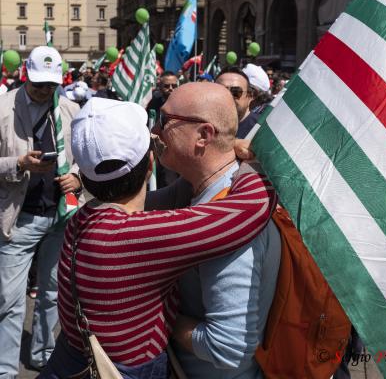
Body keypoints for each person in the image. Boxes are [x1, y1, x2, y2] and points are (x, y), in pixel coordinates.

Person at [38, 97, 276, 378]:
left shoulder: (88, 217)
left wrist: (222, 148)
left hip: (71, 359)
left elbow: (171, 197)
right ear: (150, 163)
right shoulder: (134, 235)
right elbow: (252, 208)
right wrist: (245, 161)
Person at [150, 82, 281, 379]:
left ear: (204, 135)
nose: (156, 131)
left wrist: (158, 314)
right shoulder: (200, 188)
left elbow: (228, 348)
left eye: (165, 121)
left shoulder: (232, 223)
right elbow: (134, 209)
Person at [0, 46, 82, 377]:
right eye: (38, 84)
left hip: (61, 217)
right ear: (25, 76)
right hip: (19, 218)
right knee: (9, 301)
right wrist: (18, 164)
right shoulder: (4, 107)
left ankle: (44, 355)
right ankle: (5, 370)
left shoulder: (70, 109)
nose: (45, 91)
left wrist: (76, 175)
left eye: (50, 84)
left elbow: (84, 157)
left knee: (52, 295)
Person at [147, 71, 179, 187]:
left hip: (177, 155)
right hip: (157, 153)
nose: (171, 89)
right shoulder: (153, 103)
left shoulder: (184, 104)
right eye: (167, 86)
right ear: (160, 87)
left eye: (174, 86)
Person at [215, 66, 255, 138]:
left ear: (249, 96)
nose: (228, 96)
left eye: (236, 92)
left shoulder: (259, 128)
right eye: (221, 91)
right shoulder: (203, 123)